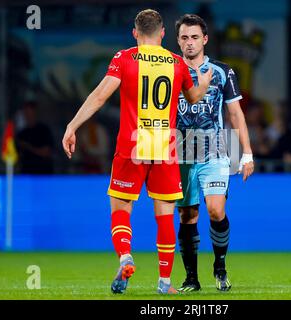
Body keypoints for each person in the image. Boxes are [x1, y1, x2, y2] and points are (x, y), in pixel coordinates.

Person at [61, 9, 212, 294]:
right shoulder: (177, 62)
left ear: (135, 33)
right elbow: (192, 98)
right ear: (164, 33)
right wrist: (202, 83)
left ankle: (126, 256)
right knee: (166, 214)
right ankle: (165, 283)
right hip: (165, 147)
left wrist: (72, 126)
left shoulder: (125, 58)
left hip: (132, 144)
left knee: (121, 209)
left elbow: (99, 96)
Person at [174, 14, 254, 292]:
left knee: (216, 209)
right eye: (184, 37)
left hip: (215, 151)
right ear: (178, 41)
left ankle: (220, 268)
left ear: (205, 40)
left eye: (195, 37)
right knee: (187, 216)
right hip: (180, 153)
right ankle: (191, 279)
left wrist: (247, 153)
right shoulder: (170, 71)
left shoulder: (222, 71)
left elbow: (235, 114)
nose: (190, 43)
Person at [16, 101, 54, 174]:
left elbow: (46, 152)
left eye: (30, 113)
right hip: (26, 175)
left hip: (43, 174)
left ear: (35, 113)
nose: (28, 116)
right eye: (26, 113)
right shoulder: (22, 134)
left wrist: (28, 146)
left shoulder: (44, 130)